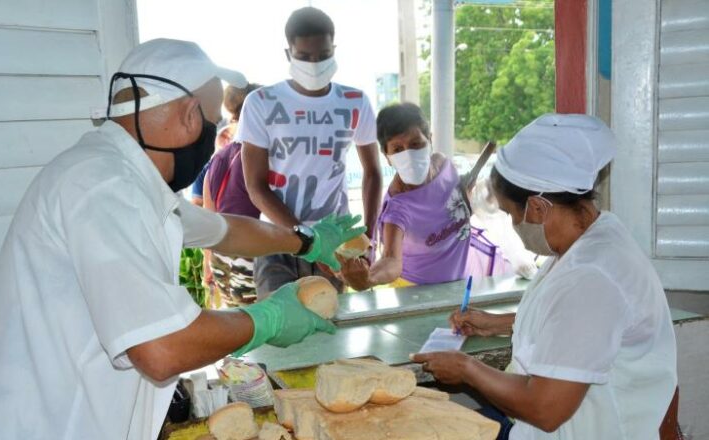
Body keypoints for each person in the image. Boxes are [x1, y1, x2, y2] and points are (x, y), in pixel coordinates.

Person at [0, 39, 365, 440]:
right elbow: (163, 347)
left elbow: (227, 231)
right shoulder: (102, 186)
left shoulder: (126, 178)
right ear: (191, 116)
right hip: (25, 425)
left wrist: (304, 243)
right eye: (213, 123)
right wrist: (267, 319)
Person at [412, 114, 677, 439]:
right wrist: (499, 322)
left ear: (537, 208)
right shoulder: (594, 234)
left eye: (511, 213)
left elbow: (545, 409)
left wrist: (467, 368)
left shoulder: (591, 276)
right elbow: (578, 324)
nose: (513, 224)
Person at [238, 6, 383, 298]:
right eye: (304, 57)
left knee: (329, 328)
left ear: (334, 49)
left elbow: (373, 174)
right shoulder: (261, 102)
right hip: (276, 240)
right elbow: (255, 186)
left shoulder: (355, 101)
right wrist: (307, 240)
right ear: (288, 53)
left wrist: (367, 238)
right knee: (280, 330)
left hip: (334, 241)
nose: (315, 64)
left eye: (324, 55)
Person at [339, 103, 503, 290]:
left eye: (416, 144)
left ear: (430, 141)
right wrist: (369, 279)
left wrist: (472, 198)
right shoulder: (398, 207)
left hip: (462, 280)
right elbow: (391, 260)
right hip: (416, 294)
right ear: (387, 156)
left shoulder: (444, 167)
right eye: (398, 149)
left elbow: (456, 208)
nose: (409, 154)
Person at [203, 83, 263, 306]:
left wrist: (208, 263)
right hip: (250, 261)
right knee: (264, 331)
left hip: (222, 262)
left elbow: (208, 215)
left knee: (238, 328)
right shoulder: (261, 154)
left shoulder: (220, 155)